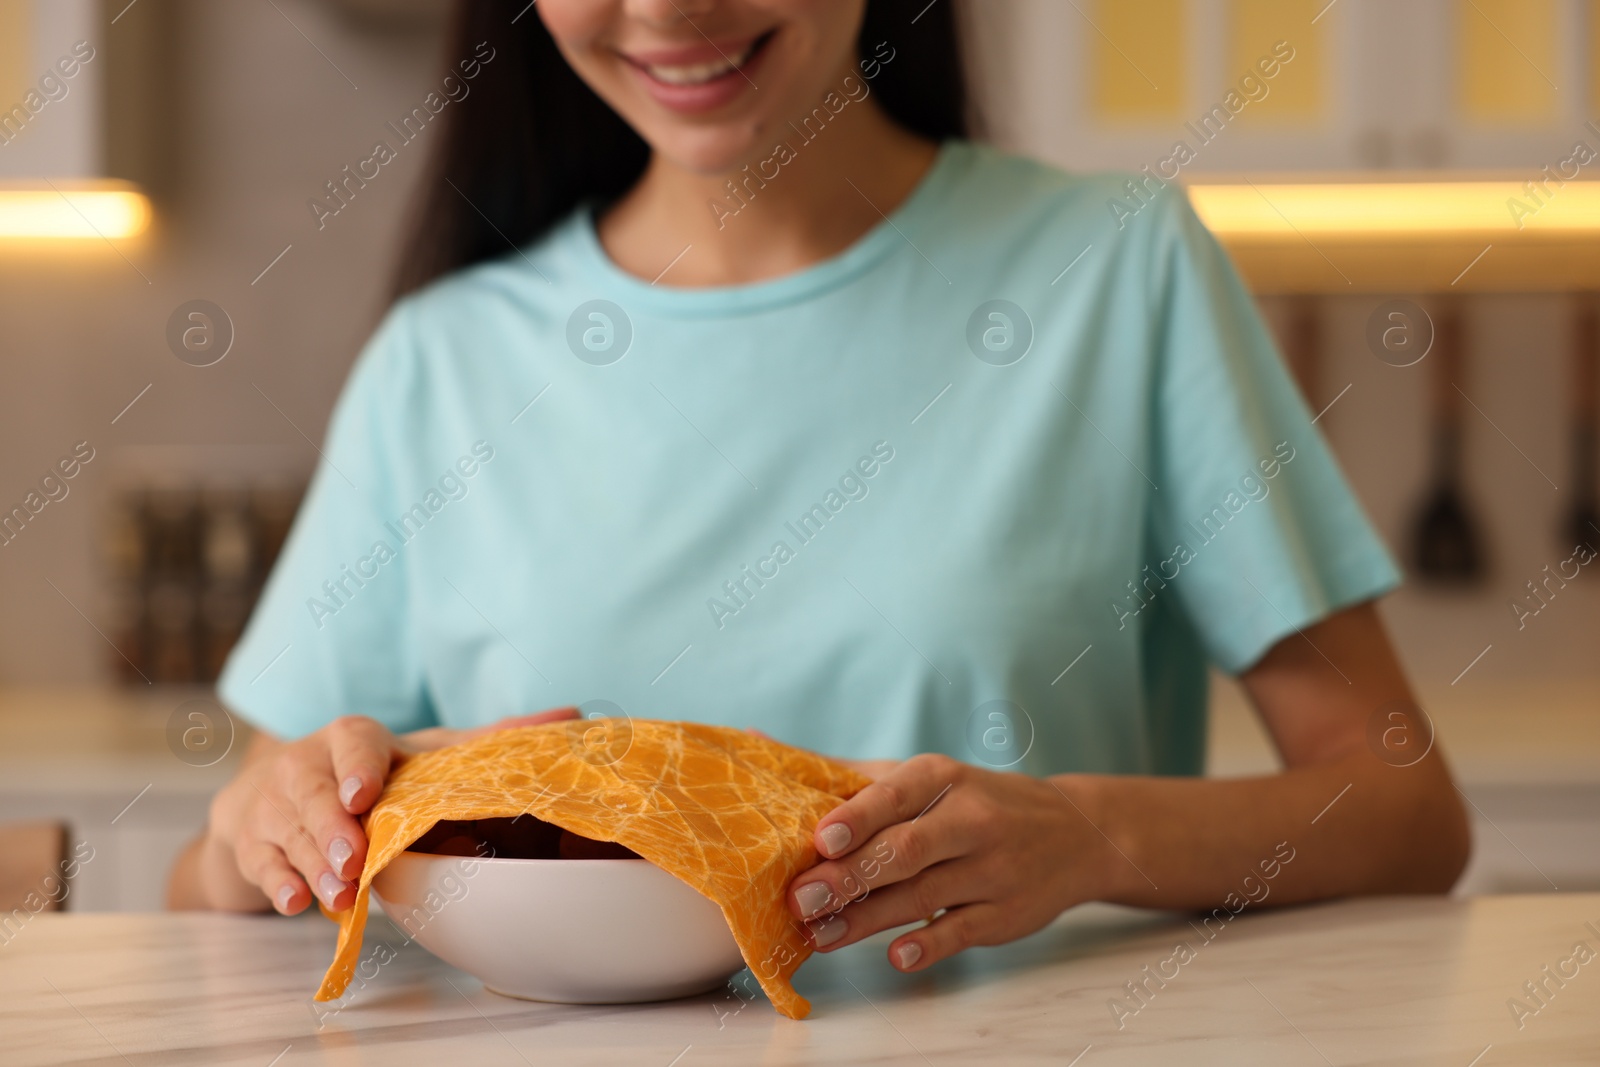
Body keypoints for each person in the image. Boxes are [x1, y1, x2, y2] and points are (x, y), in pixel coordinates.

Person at [169, 0, 1470, 978]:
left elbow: (1407, 809)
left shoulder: (1118, 274)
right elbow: (210, 882)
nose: (670, 10)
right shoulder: (443, 365)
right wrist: (262, 834)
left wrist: (1093, 834)